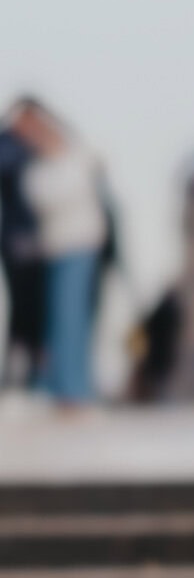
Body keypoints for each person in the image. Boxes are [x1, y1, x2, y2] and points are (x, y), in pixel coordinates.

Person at [23, 106, 109, 405]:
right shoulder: (41, 167)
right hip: (59, 248)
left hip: (77, 246)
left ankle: (75, 388)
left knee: (72, 319)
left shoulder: (72, 159)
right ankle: (64, 386)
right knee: (60, 319)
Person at [0, 101, 45, 389]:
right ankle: (17, 375)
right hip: (17, 237)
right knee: (21, 306)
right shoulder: (11, 147)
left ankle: (29, 373)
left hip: (33, 238)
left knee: (33, 309)